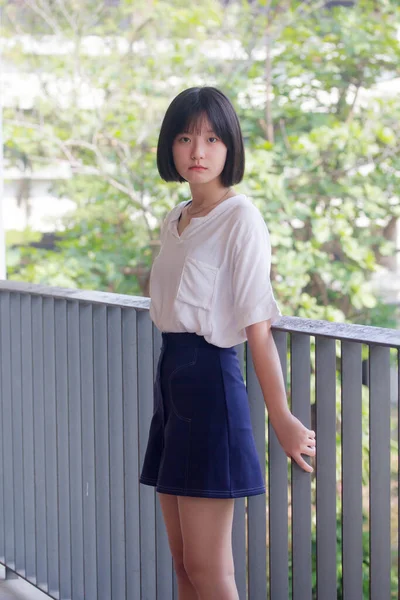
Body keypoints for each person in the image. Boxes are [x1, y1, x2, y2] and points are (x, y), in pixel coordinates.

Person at [139, 86, 316, 600]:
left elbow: (255, 326)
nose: (198, 151)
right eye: (186, 137)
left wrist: (281, 417)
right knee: (182, 564)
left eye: (212, 138)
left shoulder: (241, 219)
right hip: (172, 387)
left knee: (209, 568)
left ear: (230, 146)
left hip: (212, 386)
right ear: (169, 148)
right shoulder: (177, 219)